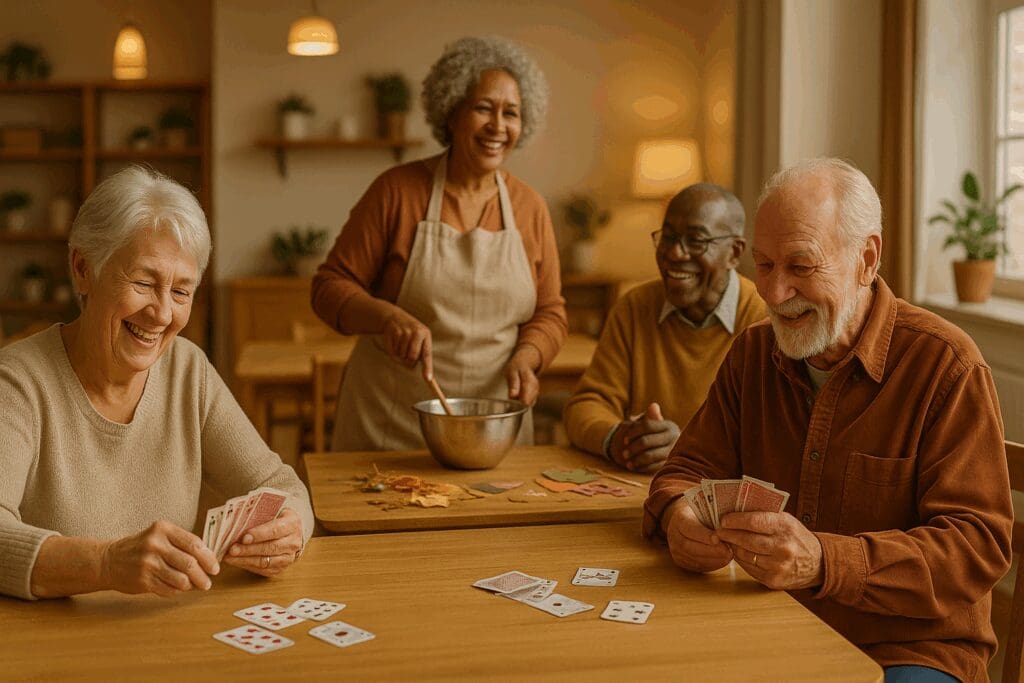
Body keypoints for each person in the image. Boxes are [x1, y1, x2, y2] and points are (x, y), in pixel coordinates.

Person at [644, 158, 1013, 683]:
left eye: (801, 266)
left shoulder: (946, 366)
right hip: (768, 624)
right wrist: (678, 517)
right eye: (765, 266)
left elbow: (976, 547)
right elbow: (681, 474)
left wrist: (824, 561)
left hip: (906, 649)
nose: (772, 295)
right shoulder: (752, 354)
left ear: (866, 259)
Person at [0, 166, 314, 601]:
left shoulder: (189, 370)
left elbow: (283, 485)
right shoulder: (16, 381)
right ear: (82, 269)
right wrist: (106, 564)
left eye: (181, 292)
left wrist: (290, 528)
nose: (163, 314)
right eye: (144, 283)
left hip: (162, 637)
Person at [312, 36, 567, 451]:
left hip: (494, 430)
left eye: (511, 113)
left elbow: (550, 312)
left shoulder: (530, 207)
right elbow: (328, 289)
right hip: (391, 425)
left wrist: (529, 357)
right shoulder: (396, 192)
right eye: (484, 108)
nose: (498, 127)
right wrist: (387, 317)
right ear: (452, 112)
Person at [563, 184, 766, 472]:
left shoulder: (763, 321)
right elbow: (586, 405)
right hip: (639, 491)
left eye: (696, 241)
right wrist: (617, 438)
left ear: (734, 253)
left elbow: (771, 442)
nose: (674, 253)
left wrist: (688, 447)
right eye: (668, 237)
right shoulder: (634, 307)